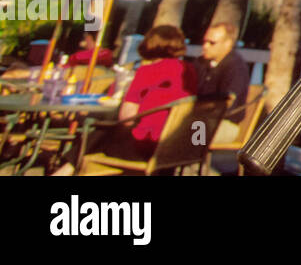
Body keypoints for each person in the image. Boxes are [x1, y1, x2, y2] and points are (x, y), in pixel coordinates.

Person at [53, 24, 197, 172]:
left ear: (150, 43)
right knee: (103, 131)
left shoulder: (147, 72)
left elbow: (126, 117)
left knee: (102, 129)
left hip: (144, 148)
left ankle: (66, 169)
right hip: (175, 148)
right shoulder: (190, 71)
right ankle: (66, 169)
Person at [194, 21, 250, 144]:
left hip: (224, 124)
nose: (205, 46)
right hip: (198, 121)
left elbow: (227, 103)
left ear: (228, 44)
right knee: (168, 130)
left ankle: (191, 163)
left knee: (189, 135)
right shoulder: (200, 63)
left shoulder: (236, 67)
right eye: (204, 42)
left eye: (211, 43)